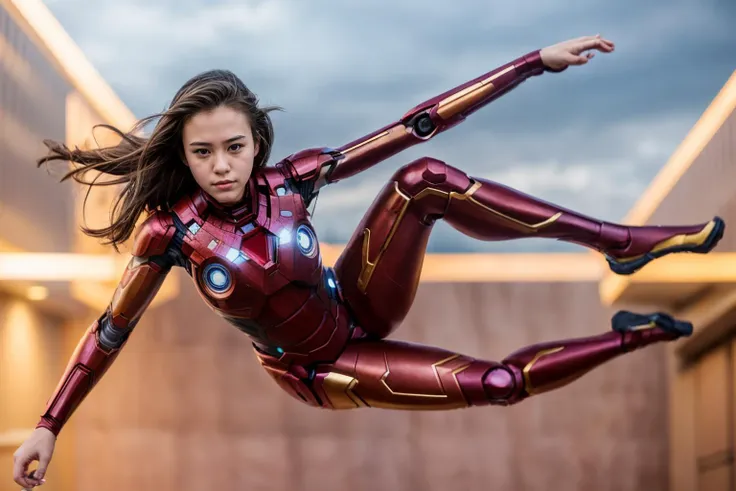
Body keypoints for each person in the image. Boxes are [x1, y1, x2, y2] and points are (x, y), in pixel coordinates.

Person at [13, 34, 724, 488]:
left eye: (234, 146)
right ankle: (639, 333)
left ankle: (618, 243)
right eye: (202, 152)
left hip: (358, 301)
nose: (221, 166)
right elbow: (110, 329)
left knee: (425, 178)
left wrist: (532, 64)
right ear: (184, 155)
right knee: (502, 382)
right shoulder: (171, 232)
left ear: (256, 142)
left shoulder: (292, 180)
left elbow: (415, 125)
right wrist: (49, 422)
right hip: (317, 366)